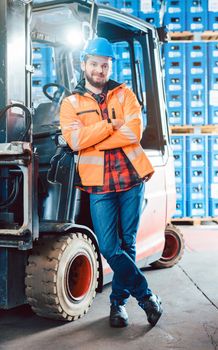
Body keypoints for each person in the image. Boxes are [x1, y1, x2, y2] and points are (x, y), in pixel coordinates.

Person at [60, 37, 163, 328]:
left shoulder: (125, 93)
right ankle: (147, 297)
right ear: (84, 64)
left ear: (109, 67)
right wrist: (108, 127)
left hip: (131, 178)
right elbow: (75, 140)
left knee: (127, 244)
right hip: (99, 185)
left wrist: (96, 140)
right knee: (108, 246)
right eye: (94, 64)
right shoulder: (70, 103)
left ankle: (117, 306)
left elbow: (134, 133)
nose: (99, 70)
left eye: (104, 65)